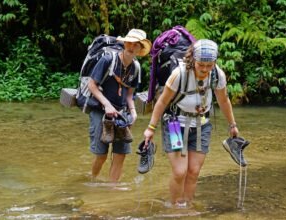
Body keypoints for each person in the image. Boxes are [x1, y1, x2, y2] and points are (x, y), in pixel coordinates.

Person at [143, 39, 239, 206]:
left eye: (209, 65)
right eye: (201, 64)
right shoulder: (179, 74)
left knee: (193, 172)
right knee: (180, 172)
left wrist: (233, 125)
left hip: (202, 125)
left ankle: (186, 205)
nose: (205, 69)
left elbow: (224, 101)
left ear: (214, 62)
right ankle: (174, 207)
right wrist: (151, 128)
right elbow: (162, 102)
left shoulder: (217, 75)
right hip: (175, 124)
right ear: (192, 59)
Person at [88, 29, 152, 182]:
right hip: (100, 110)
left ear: (140, 48)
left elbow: (129, 95)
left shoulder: (135, 68)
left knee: (120, 155)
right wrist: (107, 105)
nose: (131, 46)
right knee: (101, 155)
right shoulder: (108, 60)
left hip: (122, 114)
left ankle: (112, 190)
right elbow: (91, 85)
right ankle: (91, 181)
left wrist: (133, 112)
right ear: (124, 43)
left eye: (136, 44)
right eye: (129, 42)